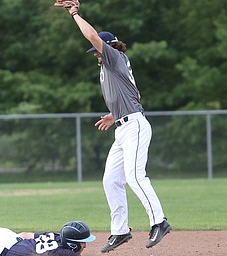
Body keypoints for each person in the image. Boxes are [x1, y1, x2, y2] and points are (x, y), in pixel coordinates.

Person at [55, 0, 172, 253]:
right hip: (123, 127)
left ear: (107, 47)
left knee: (135, 177)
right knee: (111, 180)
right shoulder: (111, 67)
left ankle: (159, 222)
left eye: (97, 50)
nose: (95, 54)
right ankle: (120, 231)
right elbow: (135, 96)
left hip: (135, 127)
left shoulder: (114, 56)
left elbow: (91, 34)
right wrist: (113, 114)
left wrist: (74, 13)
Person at [0, 221, 96, 256]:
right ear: (72, 244)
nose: (85, 245)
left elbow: (24, 234)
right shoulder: (66, 254)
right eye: (82, 242)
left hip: (5, 235)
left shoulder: (56, 237)